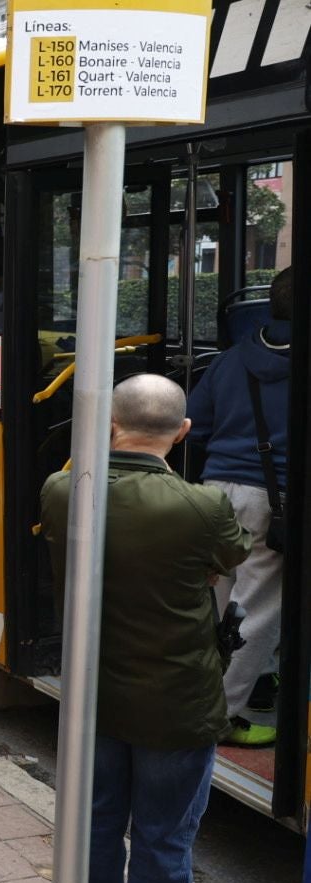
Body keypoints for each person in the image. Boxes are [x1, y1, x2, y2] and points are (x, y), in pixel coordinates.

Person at [41, 374, 251, 883]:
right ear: (183, 433)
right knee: (164, 843)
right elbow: (229, 557)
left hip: (94, 700)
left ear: (111, 424)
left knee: (97, 829)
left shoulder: (62, 490)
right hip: (177, 708)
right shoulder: (203, 505)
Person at [187, 267, 293, 746]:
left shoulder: (230, 358)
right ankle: (220, 716)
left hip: (215, 491)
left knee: (219, 603)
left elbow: (195, 423)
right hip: (270, 501)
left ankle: (209, 696)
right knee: (258, 612)